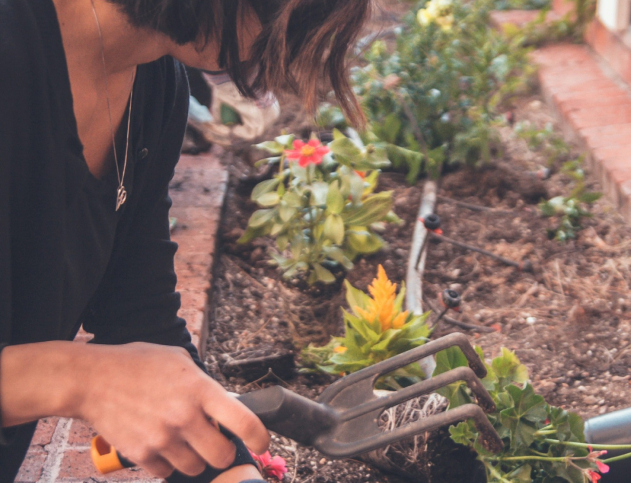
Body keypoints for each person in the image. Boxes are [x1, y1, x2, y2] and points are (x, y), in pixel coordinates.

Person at [0, 0, 369, 480]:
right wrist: (81, 379)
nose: (287, 44)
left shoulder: (153, 84)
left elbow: (138, 317)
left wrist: (231, 470)